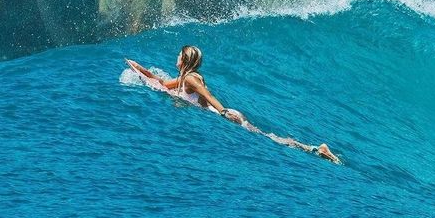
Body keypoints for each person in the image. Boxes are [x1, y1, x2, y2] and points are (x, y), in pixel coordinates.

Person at [125, 45, 340, 162]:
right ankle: (313, 149)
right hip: (221, 113)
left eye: (179, 55)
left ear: (185, 60)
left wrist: (224, 112)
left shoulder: (191, 79)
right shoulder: (184, 78)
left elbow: (207, 95)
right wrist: (140, 69)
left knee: (269, 138)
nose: (176, 57)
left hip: (226, 115)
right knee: (267, 136)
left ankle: (314, 148)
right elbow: (162, 83)